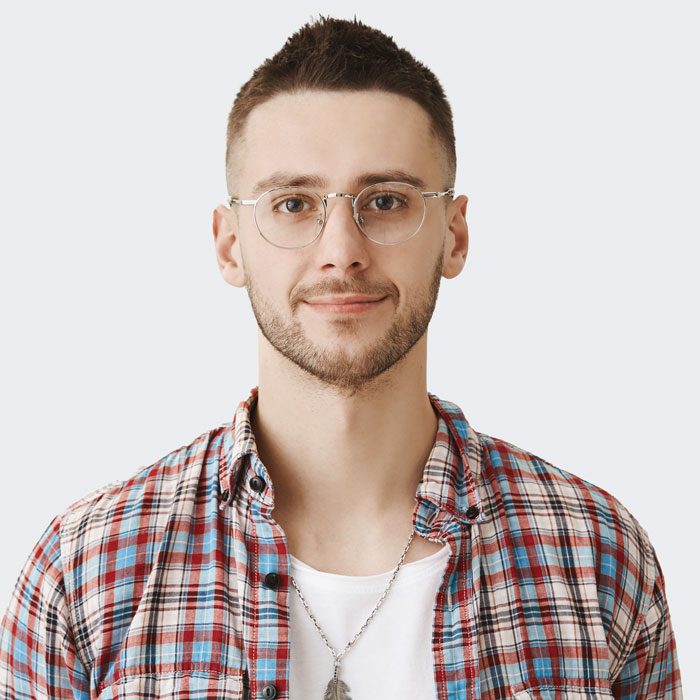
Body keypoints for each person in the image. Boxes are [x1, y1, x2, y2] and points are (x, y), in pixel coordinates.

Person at [0, 16, 682, 700]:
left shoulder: (596, 557)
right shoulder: (85, 574)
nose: (341, 250)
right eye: (293, 203)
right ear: (230, 244)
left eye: (385, 201)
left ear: (454, 235)